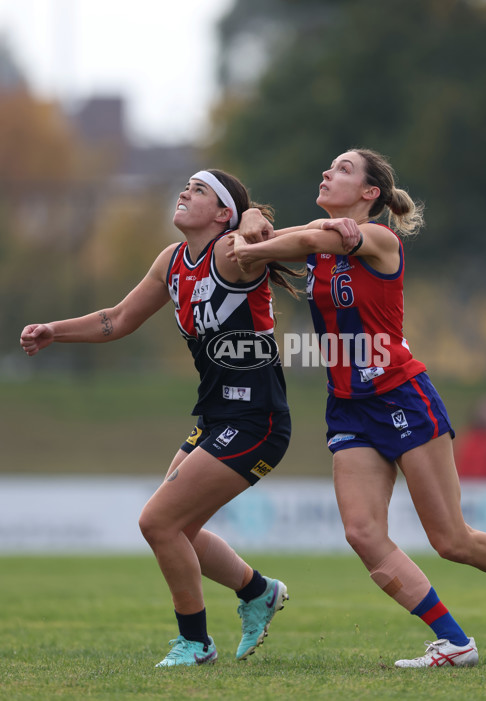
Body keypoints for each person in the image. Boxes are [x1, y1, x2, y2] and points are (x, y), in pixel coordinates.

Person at [229, 148, 486, 668]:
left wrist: (259, 234)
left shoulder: (379, 237)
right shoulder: (320, 239)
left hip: (401, 396)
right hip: (348, 407)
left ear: (369, 194)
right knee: (363, 533)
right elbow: (260, 246)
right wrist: (251, 220)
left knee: (451, 539)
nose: (328, 172)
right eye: (330, 167)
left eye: (343, 169)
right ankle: (454, 640)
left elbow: (288, 243)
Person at [19, 169, 301, 667]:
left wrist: (254, 218)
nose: (184, 192)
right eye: (186, 185)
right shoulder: (172, 262)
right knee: (179, 530)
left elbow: (259, 232)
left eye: (199, 190)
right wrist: (54, 331)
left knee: (157, 522)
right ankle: (258, 592)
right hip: (216, 416)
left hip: (258, 420)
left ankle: (196, 643)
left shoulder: (230, 253)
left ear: (221, 215)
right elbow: (118, 320)